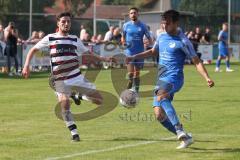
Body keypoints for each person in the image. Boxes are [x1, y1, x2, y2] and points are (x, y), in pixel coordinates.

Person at [126, 10, 214, 149]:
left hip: (175, 77)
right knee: (159, 115)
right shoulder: (161, 37)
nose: (164, 26)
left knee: (161, 97)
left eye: (167, 23)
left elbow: (196, 61)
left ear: (175, 23)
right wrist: (133, 57)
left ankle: (179, 128)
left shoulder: (183, 41)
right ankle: (186, 137)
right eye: (163, 23)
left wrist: (207, 77)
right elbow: (153, 52)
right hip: (161, 79)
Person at [22, 12, 115, 142]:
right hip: (59, 78)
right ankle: (74, 133)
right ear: (58, 23)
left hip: (76, 76)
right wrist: (26, 66)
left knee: (99, 100)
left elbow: (88, 53)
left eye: (68, 22)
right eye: (64, 21)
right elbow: (33, 50)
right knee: (65, 104)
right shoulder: (50, 38)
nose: (66, 24)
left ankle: (78, 96)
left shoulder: (74, 39)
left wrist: (104, 58)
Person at [122, 7, 152, 93]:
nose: (133, 14)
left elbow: (149, 39)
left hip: (140, 53)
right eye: (131, 13)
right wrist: (123, 43)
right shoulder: (126, 25)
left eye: (134, 13)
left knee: (137, 74)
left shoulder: (143, 26)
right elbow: (123, 37)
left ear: (138, 14)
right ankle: (130, 82)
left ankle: (136, 92)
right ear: (129, 15)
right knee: (130, 74)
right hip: (129, 52)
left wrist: (148, 42)